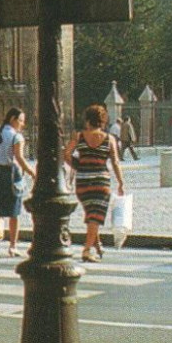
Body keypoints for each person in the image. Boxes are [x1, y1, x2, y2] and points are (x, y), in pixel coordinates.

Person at [63, 104, 124, 263]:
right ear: (103, 121)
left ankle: (97, 245)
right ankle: (87, 250)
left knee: (91, 213)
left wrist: (78, 165)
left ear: (88, 120)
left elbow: (66, 154)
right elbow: (116, 162)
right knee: (95, 216)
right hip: (100, 182)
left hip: (82, 182)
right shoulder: (109, 139)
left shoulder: (79, 136)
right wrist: (121, 182)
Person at [0, 107, 35, 259]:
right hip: (11, 174)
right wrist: (32, 172)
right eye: (21, 120)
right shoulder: (16, 137)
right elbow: (20, 158)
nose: (22, 124)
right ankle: (12, 247)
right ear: (13, 119)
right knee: (14, 213)